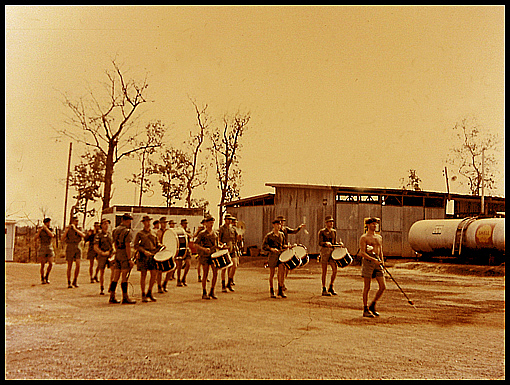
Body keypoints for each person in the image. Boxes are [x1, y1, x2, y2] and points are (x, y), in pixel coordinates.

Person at [194, 216, 226, 299]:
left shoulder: (215, 233)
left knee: (215, 273)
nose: (211, 224)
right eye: (209, 223)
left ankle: (212, 291)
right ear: (206, 223)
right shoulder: (202, 233)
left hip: (213, 255)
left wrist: (221, 247)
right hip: (205, 256)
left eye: (212, 223)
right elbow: (195, 244)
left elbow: (216, 244)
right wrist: (204, 249)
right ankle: (204, 292)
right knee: (205, 274)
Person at [359, 217, 386, 317]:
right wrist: (373, 259)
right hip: (368, 263)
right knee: (367, 287)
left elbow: (380, 250)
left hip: (378, 263)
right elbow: (362, 253)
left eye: (376, 224)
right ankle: (365, 308)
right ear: (368, 225)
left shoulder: (379, 237)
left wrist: (382, 261)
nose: (374, 226)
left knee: (383, 286)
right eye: (372, 224)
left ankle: (373, 304)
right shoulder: (364, 238)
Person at [109, 213, 136, 304]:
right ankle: (125, 297)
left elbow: (114, 243)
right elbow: (128, 246)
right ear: (125, 220)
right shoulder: (127, 231)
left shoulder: (115, 230)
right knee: (124, 276)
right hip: (124, 253)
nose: (129, 222)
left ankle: (112, 296)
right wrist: (129, 259)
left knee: (116, 276)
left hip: (118, 253)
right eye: (128, 220)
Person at [134, 215, 160, 302]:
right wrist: (144, 251)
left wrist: (161, 246)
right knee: (143, 275)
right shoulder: (140, 234)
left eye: (149, 221)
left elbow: (157, 243)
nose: (147, 223)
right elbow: (136, 245)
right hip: (143, 256)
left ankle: (150, 292)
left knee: (154, 274)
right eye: (146, 222)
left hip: (152, 255)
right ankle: (143, 294)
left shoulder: (154, 233)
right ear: (143, 223)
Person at [262, 219, 289, 298]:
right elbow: (264, 246)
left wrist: (287, 246)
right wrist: (271, 249)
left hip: (280, 255)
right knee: (272, 274)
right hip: (272, 256)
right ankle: (271, 290)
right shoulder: (269, 236)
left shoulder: (281, 235)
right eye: (277, 224)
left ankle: (280, 290)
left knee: (281, 272)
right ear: (273, 225)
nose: (278, 226)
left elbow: (283, 244)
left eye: (279, 225)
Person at [277, 215, 306, 289]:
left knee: (287, 268)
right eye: (280, 221)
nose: (282, 223)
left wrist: (299, 227)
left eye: (283, 221)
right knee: (281, 269)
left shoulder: (285, 229)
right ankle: (280, 284)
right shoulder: (277, 230)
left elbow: (294, 231)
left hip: (286, 249)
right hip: (280, 250)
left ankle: (282, 282)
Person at [318, 215, 343, 296]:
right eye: (329, 222)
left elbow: (334, 242)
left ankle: (331, 286)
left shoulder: (334, 232)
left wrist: (339, 244)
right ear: (326, 223)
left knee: (335, 270)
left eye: (332, 222)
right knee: (324, 271)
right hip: (324, 252)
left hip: (332, 252)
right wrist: (326, 243)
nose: (331, 223)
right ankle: (324, 288)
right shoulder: (322, 232)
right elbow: (320, 243)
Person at [61, 216, 86, 288]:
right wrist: (66, 231)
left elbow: (83, 235)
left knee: (78, 264)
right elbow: (62, 239)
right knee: (69, 265)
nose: (77, 223)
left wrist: (75, 229)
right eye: (75, 221)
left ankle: (75, 280)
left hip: (77, 246)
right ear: (72, 222)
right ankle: (69, 281)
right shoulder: (68, 228)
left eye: (77, 221)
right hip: (70, 246)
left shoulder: (79, 228)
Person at [93, 218, 114, 295]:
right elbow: (95, 247)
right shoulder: (98, 235)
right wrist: (102, 253)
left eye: (107, 224)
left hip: (110, 254)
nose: (106, 225)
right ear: (101, 225)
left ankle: (111, 286)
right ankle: (102, 287)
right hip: (102, 255)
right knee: (102, 271)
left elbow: (112, 245)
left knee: (113, 270)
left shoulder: (109, 234)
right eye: (104, 224)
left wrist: (111, 251)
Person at [219, 214, 238, 292]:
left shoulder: (233, 229)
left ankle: (229, 283)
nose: (230, 221)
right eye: (228, 219)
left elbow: (236, 239)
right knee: (224, 268)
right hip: (224, 248)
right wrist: (223, 245)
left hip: (232, 248)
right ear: (225, 220)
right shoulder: (222, 229)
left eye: (231, 219)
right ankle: (223, 285)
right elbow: (218, 240)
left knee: (234, 265)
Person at [34, 217, 55, 284]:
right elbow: (35, 238)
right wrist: (39, 232)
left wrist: (46, 229)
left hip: (49, 246)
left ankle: (47, 276)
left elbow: (52, 235)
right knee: (42, 264)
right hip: (42, 246)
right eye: (48, 222)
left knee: (51, 263)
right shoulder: (41, 230)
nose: (49, 224)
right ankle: (42, 278)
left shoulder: (51, 229)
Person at [176, 218, 192, 287]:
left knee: (188, 264)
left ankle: (184, 278)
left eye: (186, 224)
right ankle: (178, 280)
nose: (185, 225)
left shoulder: (187, 231)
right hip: (180, 249)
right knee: (179, 265)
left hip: (186, 249)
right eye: (184, 224)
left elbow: (190, 237)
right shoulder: (179, 231)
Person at [156, 217, 168, 293]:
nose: (164, 224)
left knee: (171, 269)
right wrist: (161, 245)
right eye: (163, 223)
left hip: (167, 251)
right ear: (160, 223)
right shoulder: (158, 232)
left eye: (165, 223)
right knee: (159, 271)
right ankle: (159, 286)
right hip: (160, 252)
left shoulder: (168, 231)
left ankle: (165, 284)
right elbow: (157, 241)